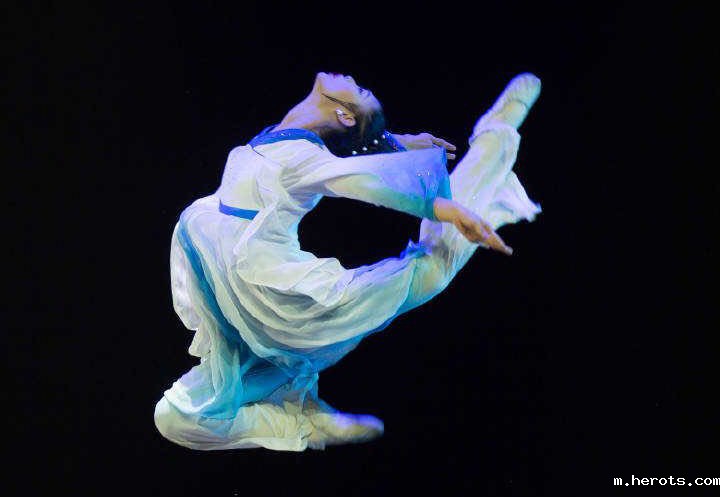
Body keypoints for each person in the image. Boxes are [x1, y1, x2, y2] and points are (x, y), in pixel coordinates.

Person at [154, 71, 543, 451]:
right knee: (172, 417)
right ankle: (302, 422)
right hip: (232, 299)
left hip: (283, 297)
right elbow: (342, 149)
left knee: (432, 270)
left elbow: (361, 179)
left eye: (361, 91)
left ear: (344, 114)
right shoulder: (288, 137)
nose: (356, 80)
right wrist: (393, 143)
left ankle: (495, 135)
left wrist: (445, 208)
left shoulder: (304, 158)